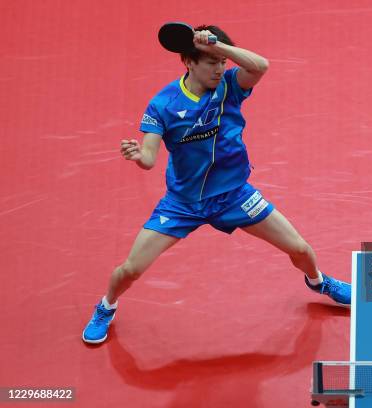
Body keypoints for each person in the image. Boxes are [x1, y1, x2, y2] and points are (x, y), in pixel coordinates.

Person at [82, 24, 351, 344]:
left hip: (234, 195)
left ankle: (318, 281)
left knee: (301, 249)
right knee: (130, 270)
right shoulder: (163, 104)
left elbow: (260, 66)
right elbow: (150, 158)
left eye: (222, 61)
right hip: (183, 203)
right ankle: (105, 307)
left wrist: (217, 47)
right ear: (189, 62)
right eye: (211, 62)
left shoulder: (230, 86)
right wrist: (139, 154)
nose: (219, 68)